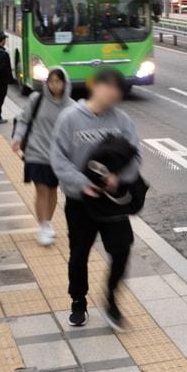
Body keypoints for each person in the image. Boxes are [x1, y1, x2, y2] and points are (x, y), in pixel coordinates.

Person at [49, 68, 145, 329]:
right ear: (96, 87)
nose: (114, 97)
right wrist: (82, 183)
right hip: (80, 200)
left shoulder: (122, 120)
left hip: (111, 201)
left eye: (118, 93)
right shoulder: (70, 118)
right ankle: (78, 301)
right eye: (110, 90)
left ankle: (111, 298)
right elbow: (57, 158)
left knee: (122, 249)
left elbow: (136, 156)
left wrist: (119, 178)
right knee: (79, 253)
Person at [11, 67, 74, 246]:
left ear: (65, 83)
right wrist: (17, 138)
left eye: (58, 81)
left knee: (52, 190)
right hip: (36, 152)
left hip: (57, 156)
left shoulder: (72, 107)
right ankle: (43, 226)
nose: (54, 85)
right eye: (51, 81)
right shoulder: (36, 99)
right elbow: (23, 119)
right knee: (42, 190)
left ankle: (48, 222)